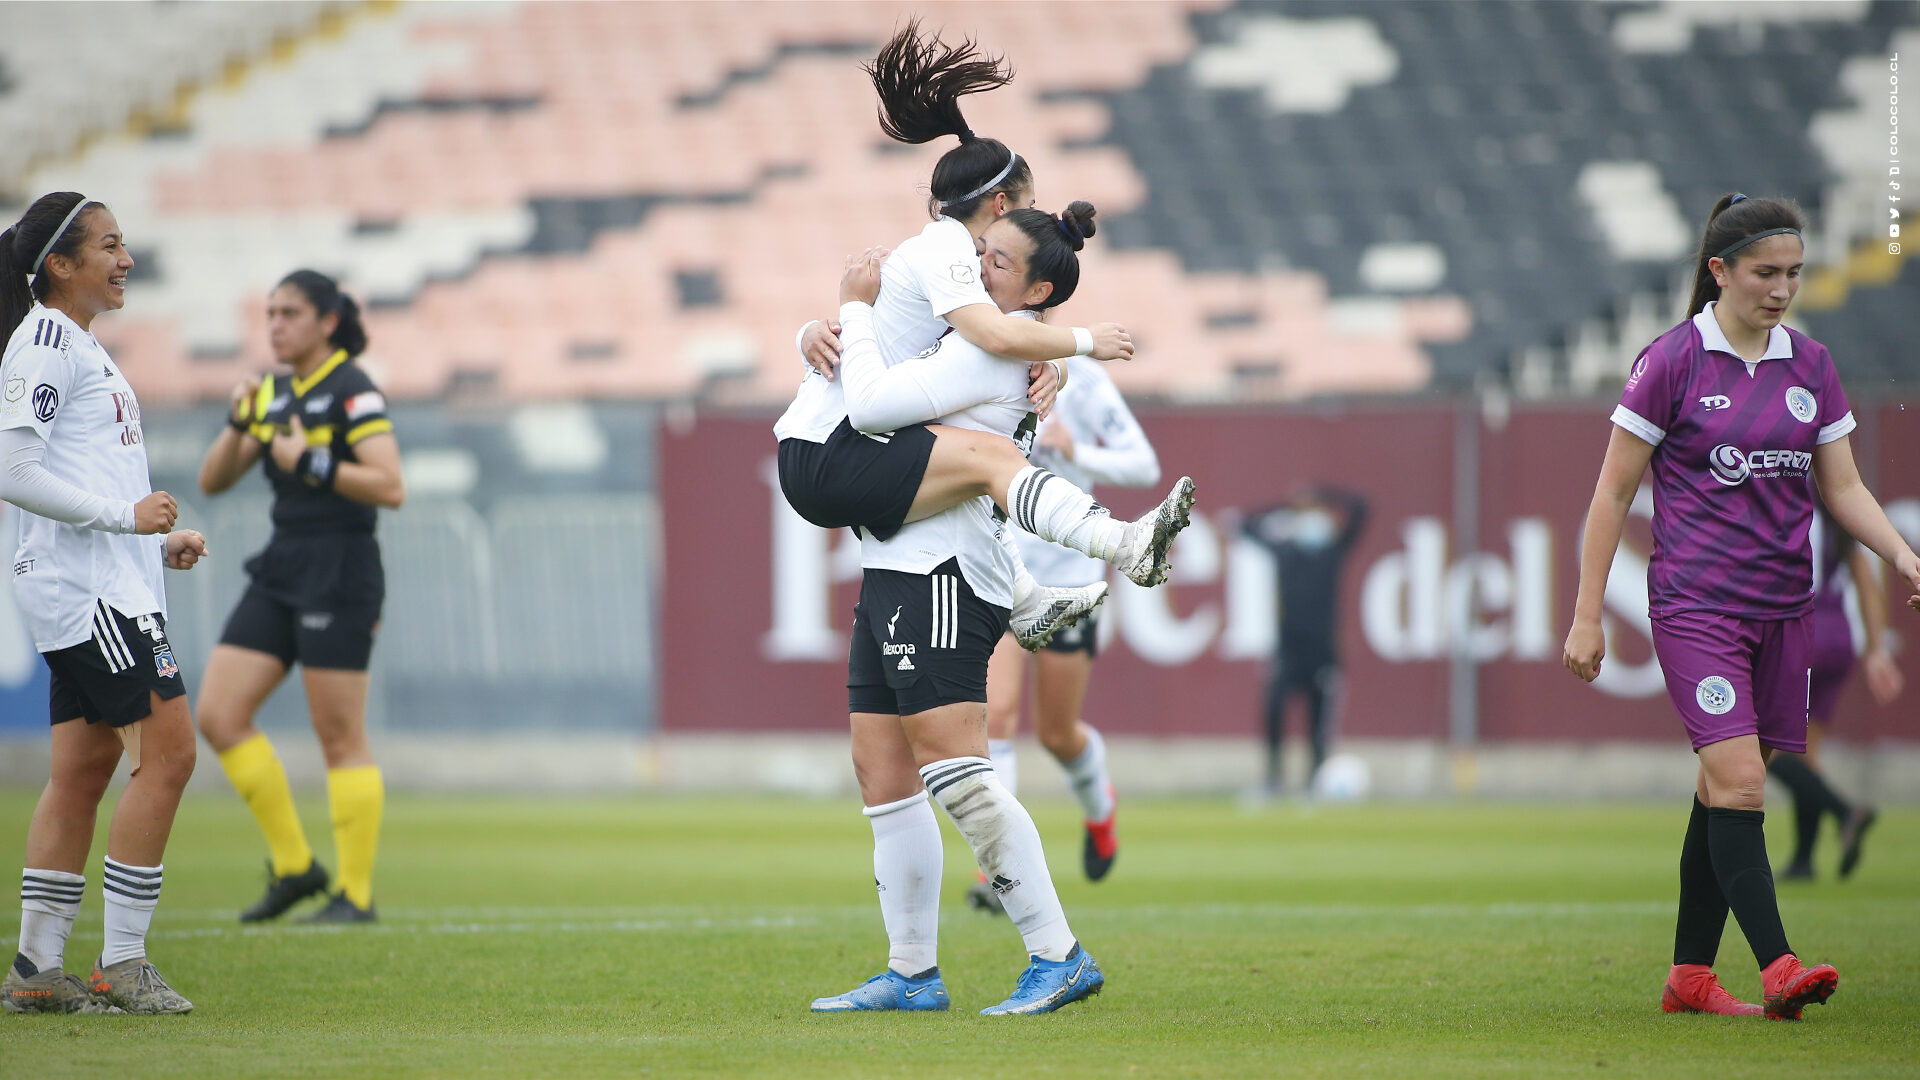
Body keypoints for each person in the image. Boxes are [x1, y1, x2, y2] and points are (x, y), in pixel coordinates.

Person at [1563, 192, 1920, 1021]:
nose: (1782, 289)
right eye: (1766, 272)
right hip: (1697, 608)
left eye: (1794, 273)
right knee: (1744, 781)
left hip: (1782, 613)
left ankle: (1690, 976)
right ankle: (1779, 967)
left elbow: (1845, 487)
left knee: (1718, 791)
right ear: (1718, 270)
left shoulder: (1812, 365)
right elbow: (1612, 493)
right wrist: (1587, 614)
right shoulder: (1672, 361)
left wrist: (1902, 554)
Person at [774, 21, 1195, 651]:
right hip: (831, 449)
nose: (1034, 218)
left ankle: (1024, 599)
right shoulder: (947, 245)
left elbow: (927, 330)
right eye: (1027, 205)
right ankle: (1122, 544)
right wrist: (1081, 344)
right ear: (1001, 208)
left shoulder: (956, 262)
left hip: (831, 446)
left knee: (975, 454)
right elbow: (992, 336)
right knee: (993, 458)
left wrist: (1051, 361)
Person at [810, 206, 1107, 1015]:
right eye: (979, 252)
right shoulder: (972, 333)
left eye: (997, 262)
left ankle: (1059, 955)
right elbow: (884, 361)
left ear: (1036, 291)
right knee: (883, 771)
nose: (976, 268)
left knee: (959, 777)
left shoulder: (998, 346)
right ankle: (912, 972)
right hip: (893, 564)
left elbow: (874, 406)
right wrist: (820, 330)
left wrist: (852, 309)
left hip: (941, 571)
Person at [0, 192, 206, 1014]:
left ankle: (34, 971)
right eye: (110, 245)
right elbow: (12, 470)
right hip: (89, 594)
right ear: (59, 264)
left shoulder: (77, 345)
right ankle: (121, 962)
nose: (126, 259)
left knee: (82, 770)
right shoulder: (47, 340)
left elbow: (80, 475)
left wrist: (152, 542)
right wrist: (126, 519)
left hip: (102, 578)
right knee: (173, 753)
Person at [193, 270, 403, 925]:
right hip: (281, 565)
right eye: (270, 313)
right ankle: (294, 866)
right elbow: (214, 479)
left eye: (290, 313)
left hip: (339, 567)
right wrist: (238, 423)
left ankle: (357, 896)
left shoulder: (352, 389)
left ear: (327, 321)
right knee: (219, 715)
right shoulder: (274, 392)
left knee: (338, 734)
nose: (276, 325)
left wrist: (309, 461)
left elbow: (389, 485)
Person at [969, 353, 1162, 914]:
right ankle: (996, 868)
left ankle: (1100, 810)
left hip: (1071, 583)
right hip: (1001, 572)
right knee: (996, 714)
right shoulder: (976, 359)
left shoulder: (1083, 377)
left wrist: (1078, 451)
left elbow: (1144, 466)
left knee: (1057, 734)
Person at [1767, 501, 1901, 880]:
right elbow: (1866, 582)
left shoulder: (1785, 501)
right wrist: (1876, 649)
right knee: (1806, 754)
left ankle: (1845, 813)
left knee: (1771, 751)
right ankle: (1803, 861)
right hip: (1838, 637)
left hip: (1798, 631)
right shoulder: (1841, 510)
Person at [1239, 486, 1370, 796]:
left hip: (1322, 652)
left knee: (1319, 722)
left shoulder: (1332, 553)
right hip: (1288, 650)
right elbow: (1246, 526)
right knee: (1273, 710)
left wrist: (1325, 494)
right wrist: (1287, 505)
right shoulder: (1286, 552)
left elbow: (1361, 508)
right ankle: (1274, 778)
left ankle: (1315, 781)